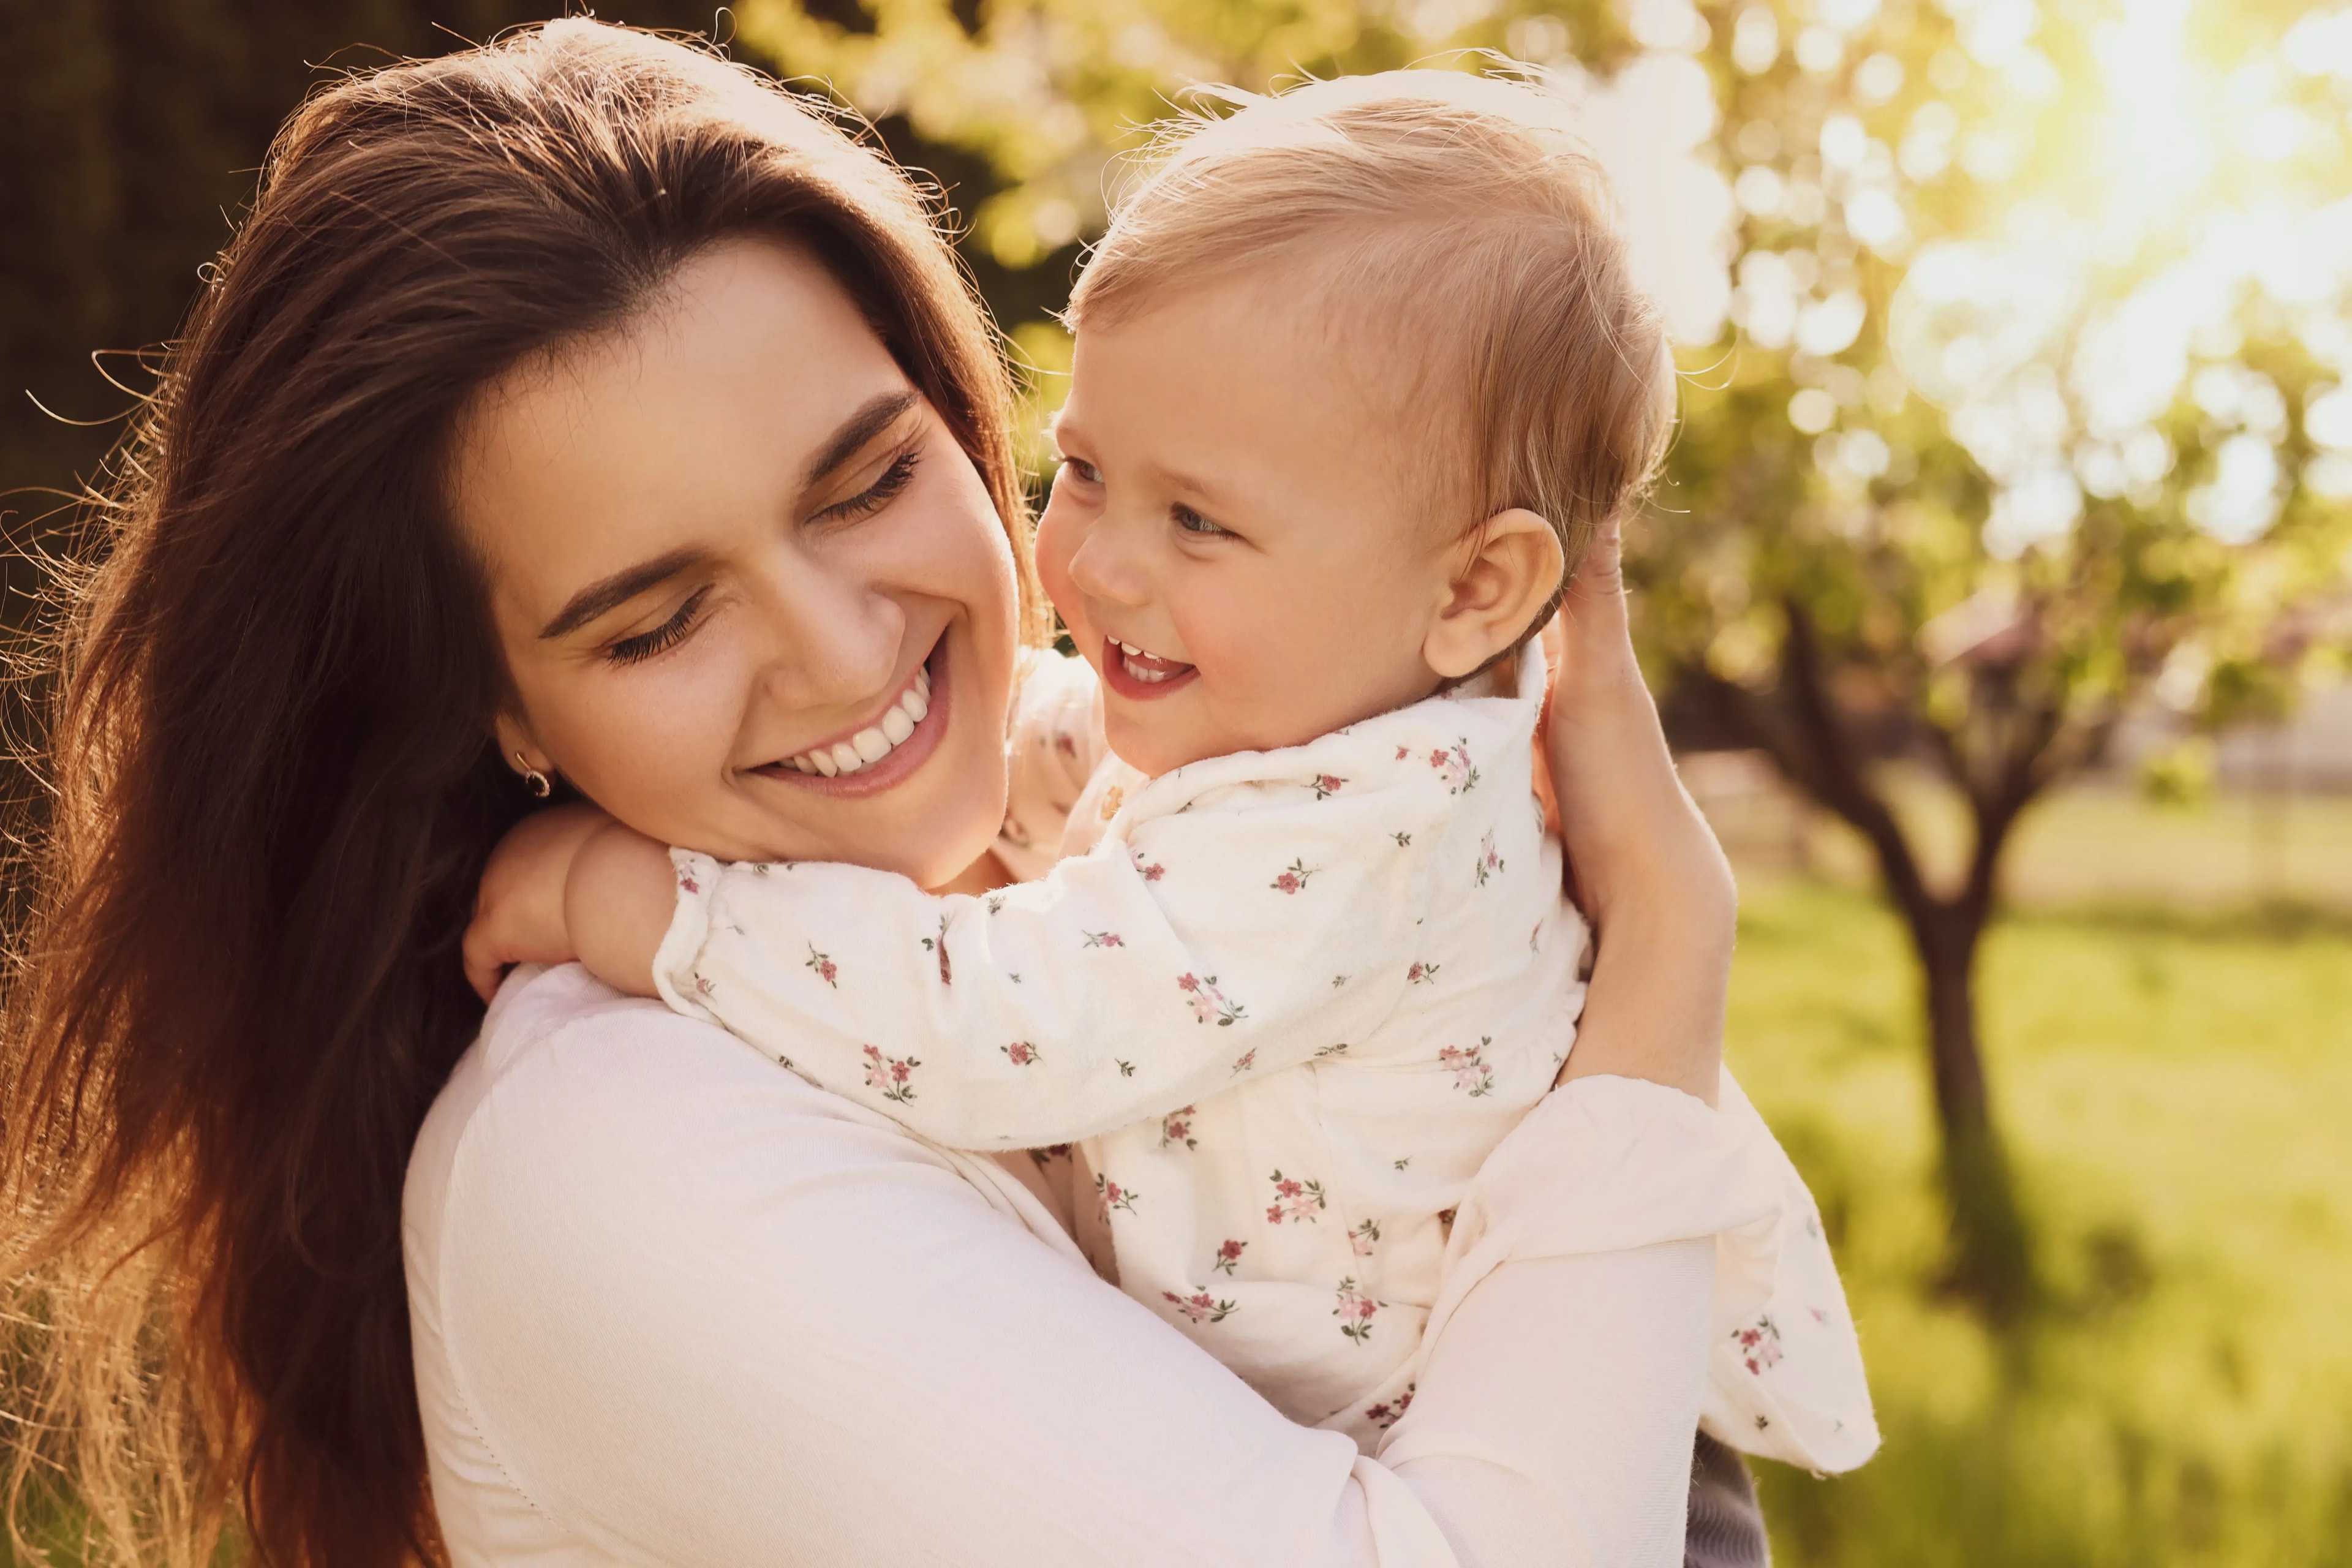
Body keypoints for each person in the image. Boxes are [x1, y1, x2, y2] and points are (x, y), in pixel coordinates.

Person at [0, 21, 1799, 1567]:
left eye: (865, 484)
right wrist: (1661, 971)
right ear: (501, 707)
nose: (847, 655)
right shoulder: (628, 1150)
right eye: (660, 619)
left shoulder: (1108, 816)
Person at [469, 72, 1875, 1470]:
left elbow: (998, 1023)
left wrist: (640, 902)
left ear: (1475, 587)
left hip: (1602, 1488)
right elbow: (1064, 747)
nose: (1098, 563)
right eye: (1082, 469)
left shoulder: (1361, 832)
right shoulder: (1322, 718)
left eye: (1198, 519)